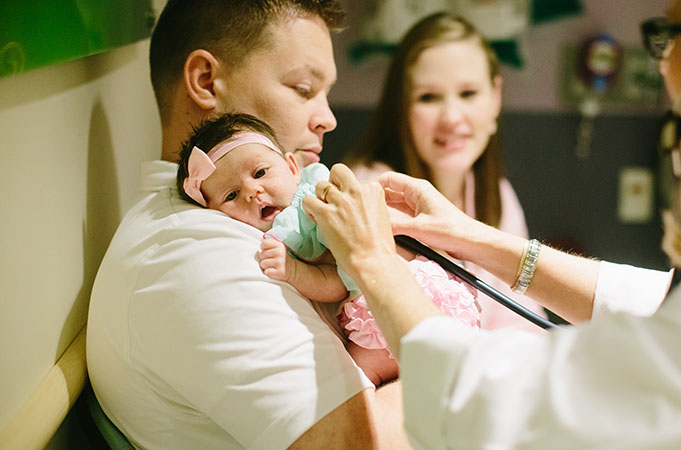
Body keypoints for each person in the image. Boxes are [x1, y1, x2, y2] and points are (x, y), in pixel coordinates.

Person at [304, 0, 681, 447]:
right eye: (429, 97)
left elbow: (491, 404)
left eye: (670, 37)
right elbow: (662, 298)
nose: (663, 68)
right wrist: (469, 237)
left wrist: (373, 260)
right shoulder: (376, 191)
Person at [85, 1, 411, 448]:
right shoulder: (200, 256)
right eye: (302, 88)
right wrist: (459, 360)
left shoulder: (248, 227)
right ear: (205, 81)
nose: (328, 118)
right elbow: (360, 443)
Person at [174, 112, 480, 386]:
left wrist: (293, 271)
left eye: (260, 173)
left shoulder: (313, 214)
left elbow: (337, 281)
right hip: (410, 305)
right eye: (231, 195)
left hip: (396, 303)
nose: (253, 192)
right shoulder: (275, 234)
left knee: (359, 382)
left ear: (293, 167)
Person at [345, 12, 551, 332]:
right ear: (401, 108)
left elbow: (524, 324)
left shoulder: (498, 195)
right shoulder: (370, 193)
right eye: (429, 97)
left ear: (495, 98)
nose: (452, 117)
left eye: (468, 94)